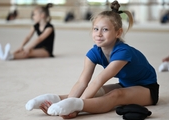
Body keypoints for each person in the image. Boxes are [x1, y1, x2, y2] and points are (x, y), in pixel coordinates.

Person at [25, 0, 159, 119]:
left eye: (105, 29)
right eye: (96, 29)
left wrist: (76, 108)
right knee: (97, 92)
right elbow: (82, 82)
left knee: (115, 95)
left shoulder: (123, 52)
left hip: (146, 88)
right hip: (126, 83)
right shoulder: (94, 52)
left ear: (118, 32)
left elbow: (98, 80)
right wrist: (68, 102)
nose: (99, 34)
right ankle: (53, 99)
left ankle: (74, 104)